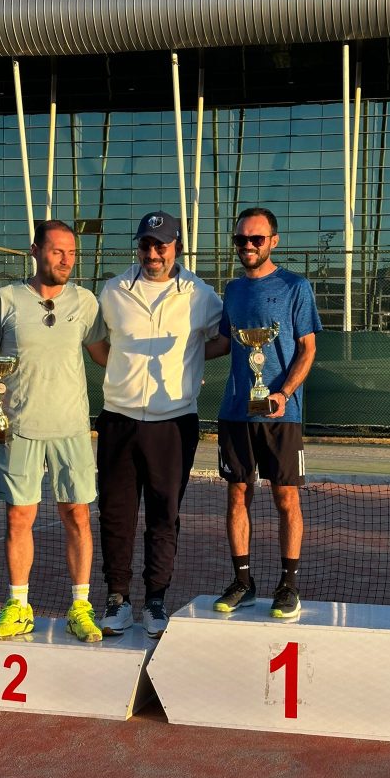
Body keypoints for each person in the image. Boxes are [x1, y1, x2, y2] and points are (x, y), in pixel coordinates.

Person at [0, 219, 109, 642]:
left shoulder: (85, 302)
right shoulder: (6, 298)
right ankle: (18, 607)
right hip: (18, 431)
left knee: (77, 515)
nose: (67, 260)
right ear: (35, 251)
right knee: (18, 517)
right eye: (57, 251)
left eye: (72, 252)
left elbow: (104, 355)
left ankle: (81, 607)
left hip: (72, 429)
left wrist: (169, 363)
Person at [90, 211, 223, 639]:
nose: (152, 253)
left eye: (161, 245)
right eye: (146, 244)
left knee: (164, 515)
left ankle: (155, 599)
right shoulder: (113, 290)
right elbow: (97, 344)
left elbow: (224, 338)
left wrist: (190, 359)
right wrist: (123, 376)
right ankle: (117, 598)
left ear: (176, 247)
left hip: (174, 424)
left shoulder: (200, 294)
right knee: (116, 514)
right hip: (119, 420)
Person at [207, 207, 322, 619]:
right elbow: (224, 343)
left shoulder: (296, 286)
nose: (248, 246)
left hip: (280, 416)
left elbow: (307, 348)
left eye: (256, 239)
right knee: (237, 494)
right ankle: (243, 582)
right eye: (241, 239)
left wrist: (284, 393)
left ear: (274, 240)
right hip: (236, 412)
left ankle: (288, 586)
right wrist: (176, 355)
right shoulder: (233, 290)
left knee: (285, 496)